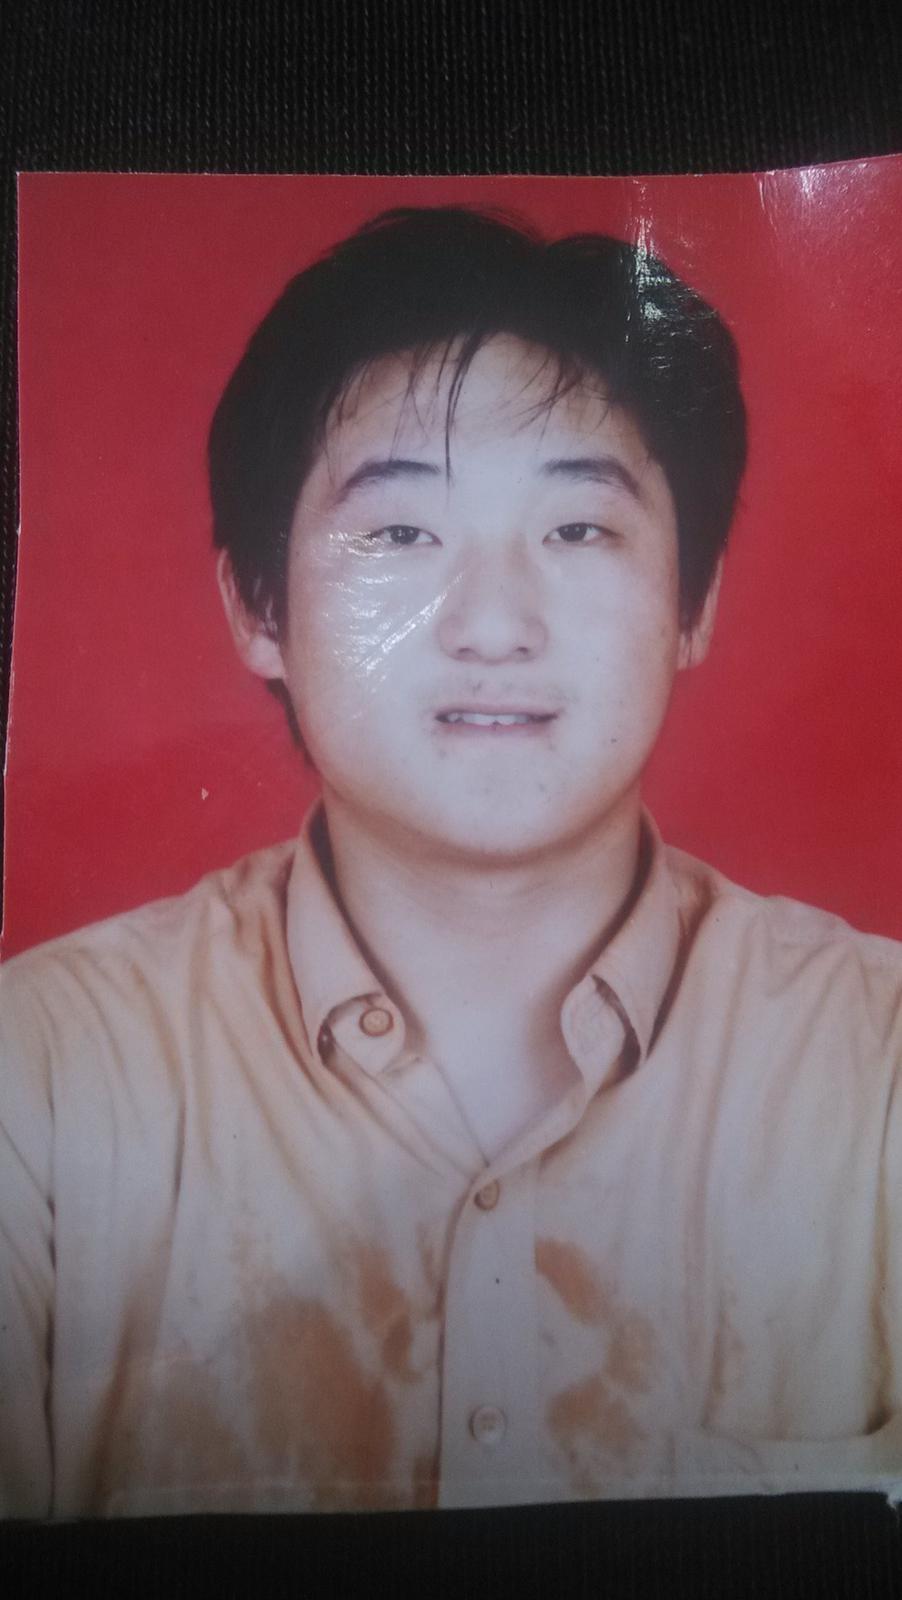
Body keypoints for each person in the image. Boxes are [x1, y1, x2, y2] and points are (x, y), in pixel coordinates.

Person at [2, 206, 901, 1519]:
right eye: (400, 535)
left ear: (693, 603)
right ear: (258, 607)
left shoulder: (877, 1068)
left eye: (577, 530)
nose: (491, 625)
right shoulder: (40, 1078)